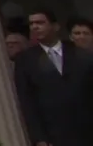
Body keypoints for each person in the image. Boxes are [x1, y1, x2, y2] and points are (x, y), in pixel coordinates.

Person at [14, 8, 93, 146]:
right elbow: (27, 102)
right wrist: (39, 138)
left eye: (40, 22)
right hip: (55, 134)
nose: (35, 27)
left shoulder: (79, 53)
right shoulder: (25, 60)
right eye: (32, 24)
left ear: (55, 26)